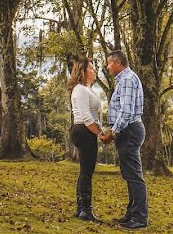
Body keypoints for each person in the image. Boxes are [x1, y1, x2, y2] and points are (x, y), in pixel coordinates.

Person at [101, 49, 148, 230]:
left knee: (134, 176)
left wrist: (112, 132)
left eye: (109, 63)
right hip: (128, 130)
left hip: (130, 130)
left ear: (118, 62)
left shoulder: (127, 80)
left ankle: (140, 218)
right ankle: (131, 214)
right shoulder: (125, 80)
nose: (107, 67)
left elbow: (126, 112)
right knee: (129, 175)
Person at [68, 56, 103, 222]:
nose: (94, 70)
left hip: (85, 131)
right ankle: (86, 211)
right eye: (91, 68)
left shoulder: (87, 89)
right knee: (87, 172)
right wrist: (100, 134)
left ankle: (80, 208)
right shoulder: (80, 89)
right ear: (83, 71)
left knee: (84, 171)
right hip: (83, 130)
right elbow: (86, 116)